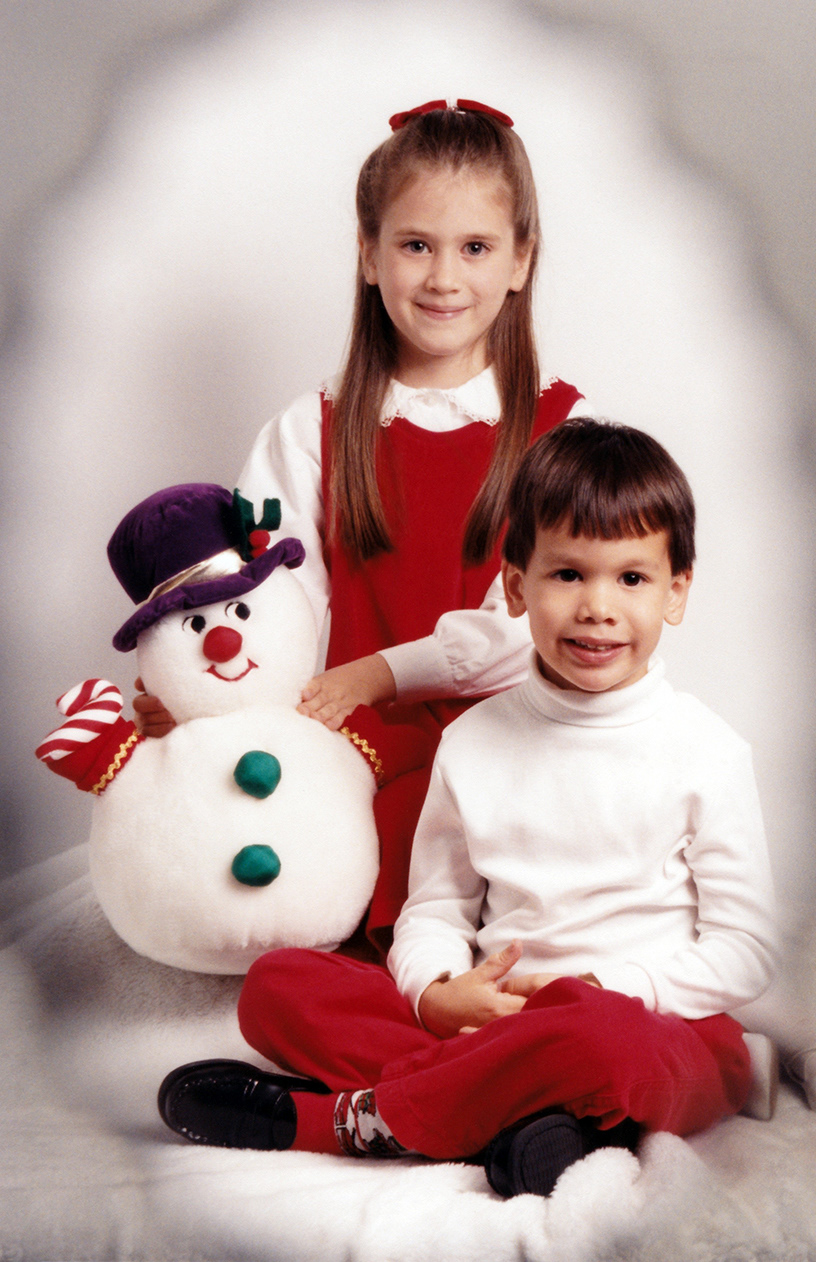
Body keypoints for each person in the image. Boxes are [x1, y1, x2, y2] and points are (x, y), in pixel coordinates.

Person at [158, 420, 780, 1197]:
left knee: (602, 1043)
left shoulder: (707, 750)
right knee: (280, 985)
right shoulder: (476, 740)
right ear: (516, 587)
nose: (597, 607)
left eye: (631, 579)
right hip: (494, 1021)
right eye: (566, 576)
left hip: (639, 1026)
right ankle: (529, 1122)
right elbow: (435, 909)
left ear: (677, 591)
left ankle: (348, 1122)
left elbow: (746, 949)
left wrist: (611, 986)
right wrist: (434, 990)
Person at [134, 99, 590, 948]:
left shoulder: (562, 432)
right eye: (416, 245)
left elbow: (535, 630)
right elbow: (270, 614)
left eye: (476, 248)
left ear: (522, 259)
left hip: (521, 745)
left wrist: (381, 672)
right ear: (368, 254)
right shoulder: (308, 432)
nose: (444, 278)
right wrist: (202, 702)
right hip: (358, 751)